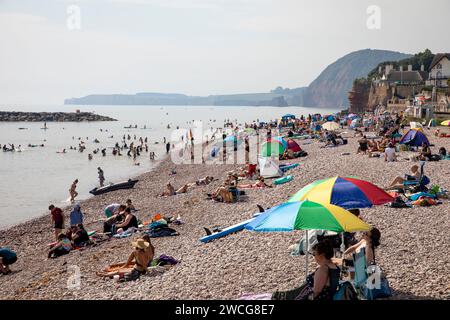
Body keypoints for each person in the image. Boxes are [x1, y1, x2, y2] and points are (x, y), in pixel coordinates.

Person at [273, 239, 340, 300]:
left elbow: (316, 291)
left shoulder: (323, 269)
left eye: (314, 254)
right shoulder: (334, 267)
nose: (314, 256)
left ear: (321, 255)